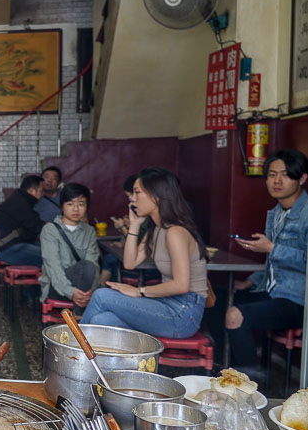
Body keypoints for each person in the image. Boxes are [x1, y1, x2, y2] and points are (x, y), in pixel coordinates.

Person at [81, 167, 208, 338]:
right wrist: (134, 225)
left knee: (101, 295)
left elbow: (181, 285)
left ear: (156, 196)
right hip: (165, 304)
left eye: (137, 193)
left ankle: (70, 356)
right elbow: (130, 263)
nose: (132, 200)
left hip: (183, 313)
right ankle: (95, 362)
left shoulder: (175, 232)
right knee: (100, 320)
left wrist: (138, 291)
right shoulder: (156, 229)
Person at [224, 149, 308, 374]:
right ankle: (227, 372)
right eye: (271, 175)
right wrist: (250, 282)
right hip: (272, 291)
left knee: (235, 315)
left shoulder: (306, 214)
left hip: (297, 300)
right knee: (221, 299)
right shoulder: (276, 213)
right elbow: (274, 264)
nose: (277, 181)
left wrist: (271, 248)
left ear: (302, 178)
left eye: (285, 175)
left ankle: (248, 388)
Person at [39, 183, 100, 315]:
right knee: (86, 267)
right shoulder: (50, 230)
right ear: (62, 206)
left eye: (81, 204)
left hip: (83, 288)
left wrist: (92, 289)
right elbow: (53, 267)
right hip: (57, 287)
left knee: (89, 266)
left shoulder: (89, 231)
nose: (76, 209)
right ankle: (80, 318)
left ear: (87, 207)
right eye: (70, 204)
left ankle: (79, 316)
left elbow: (94, 262)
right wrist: (71, 292)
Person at [0, 175, 46, 267]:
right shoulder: (20, 204)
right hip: (6, 249)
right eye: (41, 191)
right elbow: (37, 226)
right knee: (49, 257)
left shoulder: (19, 200)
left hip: (14, 245)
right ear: (32, 190)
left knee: (48, 251)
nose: (42, 195)